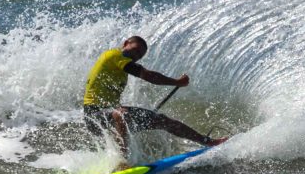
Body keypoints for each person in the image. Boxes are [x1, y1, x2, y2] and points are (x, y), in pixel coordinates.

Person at [83, 36, 227, 159]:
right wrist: (177, 82)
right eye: (135, 49)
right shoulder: (113, 55)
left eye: (140, 55)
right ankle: (123, 160)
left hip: (111, 115)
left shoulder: (121, 67)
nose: (136, 55)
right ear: (126, 43)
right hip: (94, 116)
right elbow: (149, 76)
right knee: (120, 113)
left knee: (162, 120)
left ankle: (207, 141)